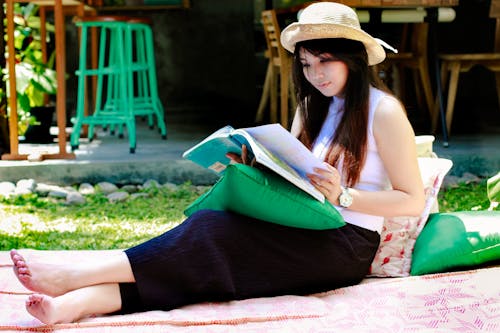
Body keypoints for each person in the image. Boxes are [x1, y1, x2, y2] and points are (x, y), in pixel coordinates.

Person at [10, 2, 425, 325]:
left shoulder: (383, 111)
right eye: (306, 64)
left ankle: (75, 275)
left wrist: (345, 194)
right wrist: (255, 163)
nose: (316, 74)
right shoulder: (311, 107)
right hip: (302, 222)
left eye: (325, 60)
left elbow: (411, 199)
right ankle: (74, 306)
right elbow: (295, 175)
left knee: (211, 232)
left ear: (352, 56)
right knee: (202, 257)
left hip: (344, 243)